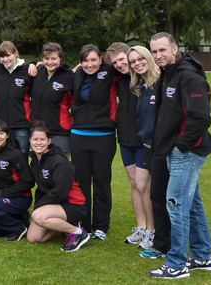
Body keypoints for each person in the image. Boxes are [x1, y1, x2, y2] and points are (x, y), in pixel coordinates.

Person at [148, 32, 211, 279]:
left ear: (175, 49)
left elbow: (201, 117)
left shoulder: (189, 76)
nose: (158, 56)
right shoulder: (169, 73)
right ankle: (202, 256)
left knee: (175, 206)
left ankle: (176, 264)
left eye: (163, 50)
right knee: (192, 205)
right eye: (154, 51)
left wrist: (181, 146)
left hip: (186, 153)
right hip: (174, 150)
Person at [70, 44, 121, 240]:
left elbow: (128, 64)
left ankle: (101, 225)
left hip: (104, 136)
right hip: (78, 135)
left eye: (93, 60)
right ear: (80, 61)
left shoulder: (111, 72)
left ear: (101, 60)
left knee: (101, 181)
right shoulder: (76, 75)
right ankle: (84, 223)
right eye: (85, 60)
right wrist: (36, 64)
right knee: (81, 182)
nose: (89, 64)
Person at [106, 42, 154, 247]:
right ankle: (141, 227)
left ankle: (152, 230)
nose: (119, 64)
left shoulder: (147, 79)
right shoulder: (117, 78)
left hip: (144, 140)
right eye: (114, 62)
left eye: (122, 60)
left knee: (144, 185)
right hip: (125, 139)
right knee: (134, 184)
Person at [131, 45, 172, 260]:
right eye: (133, 61)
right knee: (155, 194)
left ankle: (164, 244)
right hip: (147, 147)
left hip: (163, 149)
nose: (137, 63)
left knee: (164, 196)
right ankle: (162, 243)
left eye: (140, 58)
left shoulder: (162, 83)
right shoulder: (142, 86)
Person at [25, 121, 89, 252]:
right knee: (33, 238)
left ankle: (78, 232)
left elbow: (60, 193)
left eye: (42, 139)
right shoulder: (35, 161)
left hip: (74, 205)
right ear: (30, 140)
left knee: (38, 216)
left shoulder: (59, 161)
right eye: (35, 139)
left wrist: (39, 208)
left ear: (49, 141)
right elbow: (41, 190)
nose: (38, 143)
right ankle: (66, 226)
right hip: (56, 204)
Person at [29, 42, 73, 157]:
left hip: (59, 132)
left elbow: (75, 103)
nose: (50, 62)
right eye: (46, 58)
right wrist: (31, 64)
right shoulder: (38, 73)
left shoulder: (69, 77)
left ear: (61, 58)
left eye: (54, 58)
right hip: (38, 132)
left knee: (60, 168)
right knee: (41, 169)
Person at [0, 41, 32, 155]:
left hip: (21, 125)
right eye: (2, 57)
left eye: (8, 55)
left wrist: (32, 64)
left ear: (16, 53)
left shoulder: (26, 72)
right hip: (0, 125)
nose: (5, 59)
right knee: (1, 161)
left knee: (22, 159)